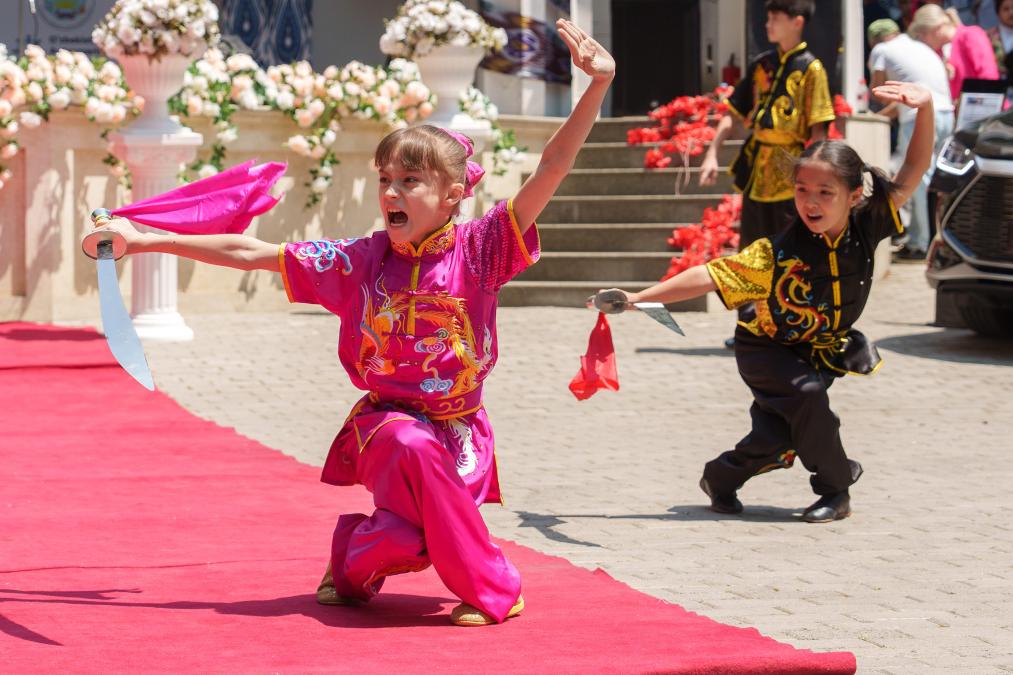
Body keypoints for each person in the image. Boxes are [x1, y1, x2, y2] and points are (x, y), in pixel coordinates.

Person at [88, 19, 615, 626]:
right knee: (412, 444)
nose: (391, 192)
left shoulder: (483, 250)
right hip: (386, 428)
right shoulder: (360, 261)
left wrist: (597, 87)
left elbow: (551, 168)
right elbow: (251, 252)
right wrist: (143, 239)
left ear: (452, 196)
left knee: (412, 540)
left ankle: (349, 561)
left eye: (410, 181)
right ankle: (495, 587)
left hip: (463, 433)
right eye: (385, 180)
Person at [601, 82, 935, 523]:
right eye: (802, 189)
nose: (810, 202)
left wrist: (926, 107)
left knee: (778, 436)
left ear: (854, 196)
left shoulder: (867, 225)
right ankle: (836, 490)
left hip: (818, 350)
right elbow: (708, 275)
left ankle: (721, 478)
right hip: (766, 350)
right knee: (809, 400)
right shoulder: (774, 254)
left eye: (825, 192)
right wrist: (639, 298)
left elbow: (913, 168)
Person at [700, 0, 834, 348]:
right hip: (758, 172)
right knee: (750, 252)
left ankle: (792, 324)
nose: (768, 25)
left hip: (792, 175)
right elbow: (733, 112)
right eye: (768, 18)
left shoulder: (811, 69)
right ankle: (749, 327)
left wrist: (817, 180)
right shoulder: (761, 64)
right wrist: (712, 153)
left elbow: (819, 130)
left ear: (797, 22)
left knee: (791, 254)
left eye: (776, 18)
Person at [870, 15, 955, 259]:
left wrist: (875, 115)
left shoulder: (881, 49)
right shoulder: (920, 47)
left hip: (918, 115)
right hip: (945, 113)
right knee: (939, 181)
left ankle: (920, 243)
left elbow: (878, 92)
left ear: (874, 40)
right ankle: (939, 239)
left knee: (915, 178)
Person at [911, 3, 1000, 101]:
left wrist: (966, 102)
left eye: (923, 35)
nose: (923, 41)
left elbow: (989, 78)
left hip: (987, 106)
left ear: (937, 29)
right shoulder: (937, 52)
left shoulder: (970, 35)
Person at [987, 0, 1013, 102]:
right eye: (1006, 9)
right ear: (998, 13)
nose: (1011, 12)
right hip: (1002, 93)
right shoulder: (990, 37)